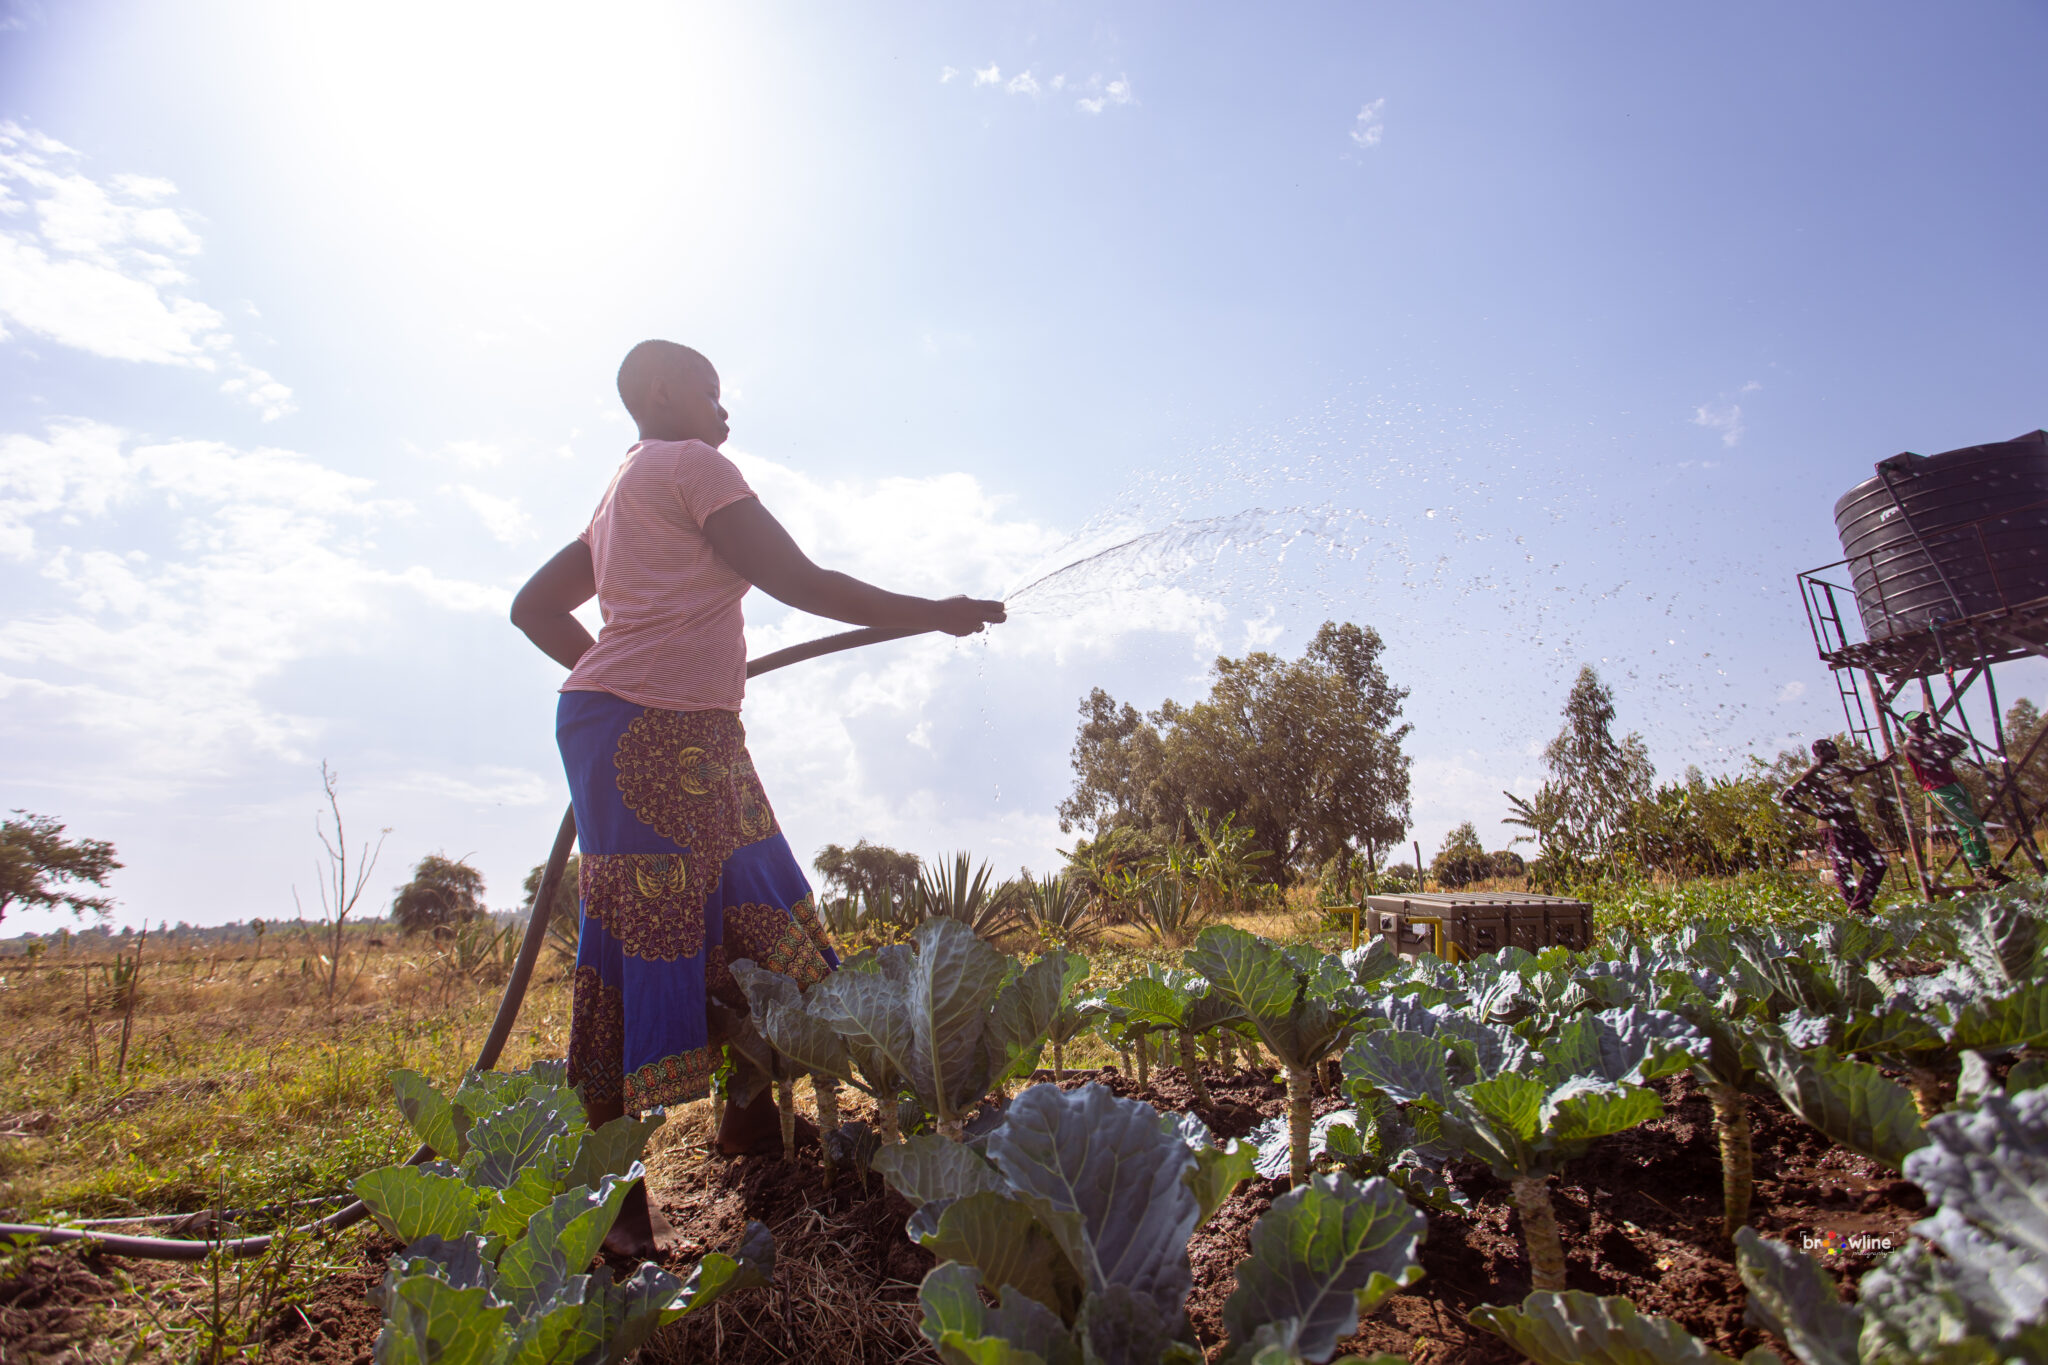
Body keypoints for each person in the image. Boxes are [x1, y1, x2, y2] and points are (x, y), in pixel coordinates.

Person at [511, 340, 1005, 1255]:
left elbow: (532, 609)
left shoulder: (622, 491)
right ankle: (614, 1210)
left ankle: (744, 1118)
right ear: (662, 391)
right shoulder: (692, 464)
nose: (725, 410)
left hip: (667, 728)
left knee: (750, 900)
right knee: (644, 936)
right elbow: (803, 583)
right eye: (711, 391)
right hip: (642, 734)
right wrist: (936, 609)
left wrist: (623, 673)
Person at [1896, 710, 2010, 888]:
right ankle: (1984, 865)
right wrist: (1946, 750)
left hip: (1955, 785)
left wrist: (1939, 735)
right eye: (1918, 722)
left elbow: (1961, 744)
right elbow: (1930, 761)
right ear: (1909, 726)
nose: (1923, 723)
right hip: (1939, 790)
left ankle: (1980, 871)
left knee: (1966, 830)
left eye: (1924, 720)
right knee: (1973, 825)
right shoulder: (1910, 744)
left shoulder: (1930, 739)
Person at [1779, 738, 1890, 913]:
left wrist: (1883, 763)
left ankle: (1858, 907)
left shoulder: (1839, 770)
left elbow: (1858, 771)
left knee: (1877, 864)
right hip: (1832, 828)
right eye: (1833, 750)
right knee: (1844, 870)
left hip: (1851, 824)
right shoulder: (1813, 774)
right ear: (1821, 753)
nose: (1837, 753)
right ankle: (1856, 911)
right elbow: (1787, 796)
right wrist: (1815, 812)